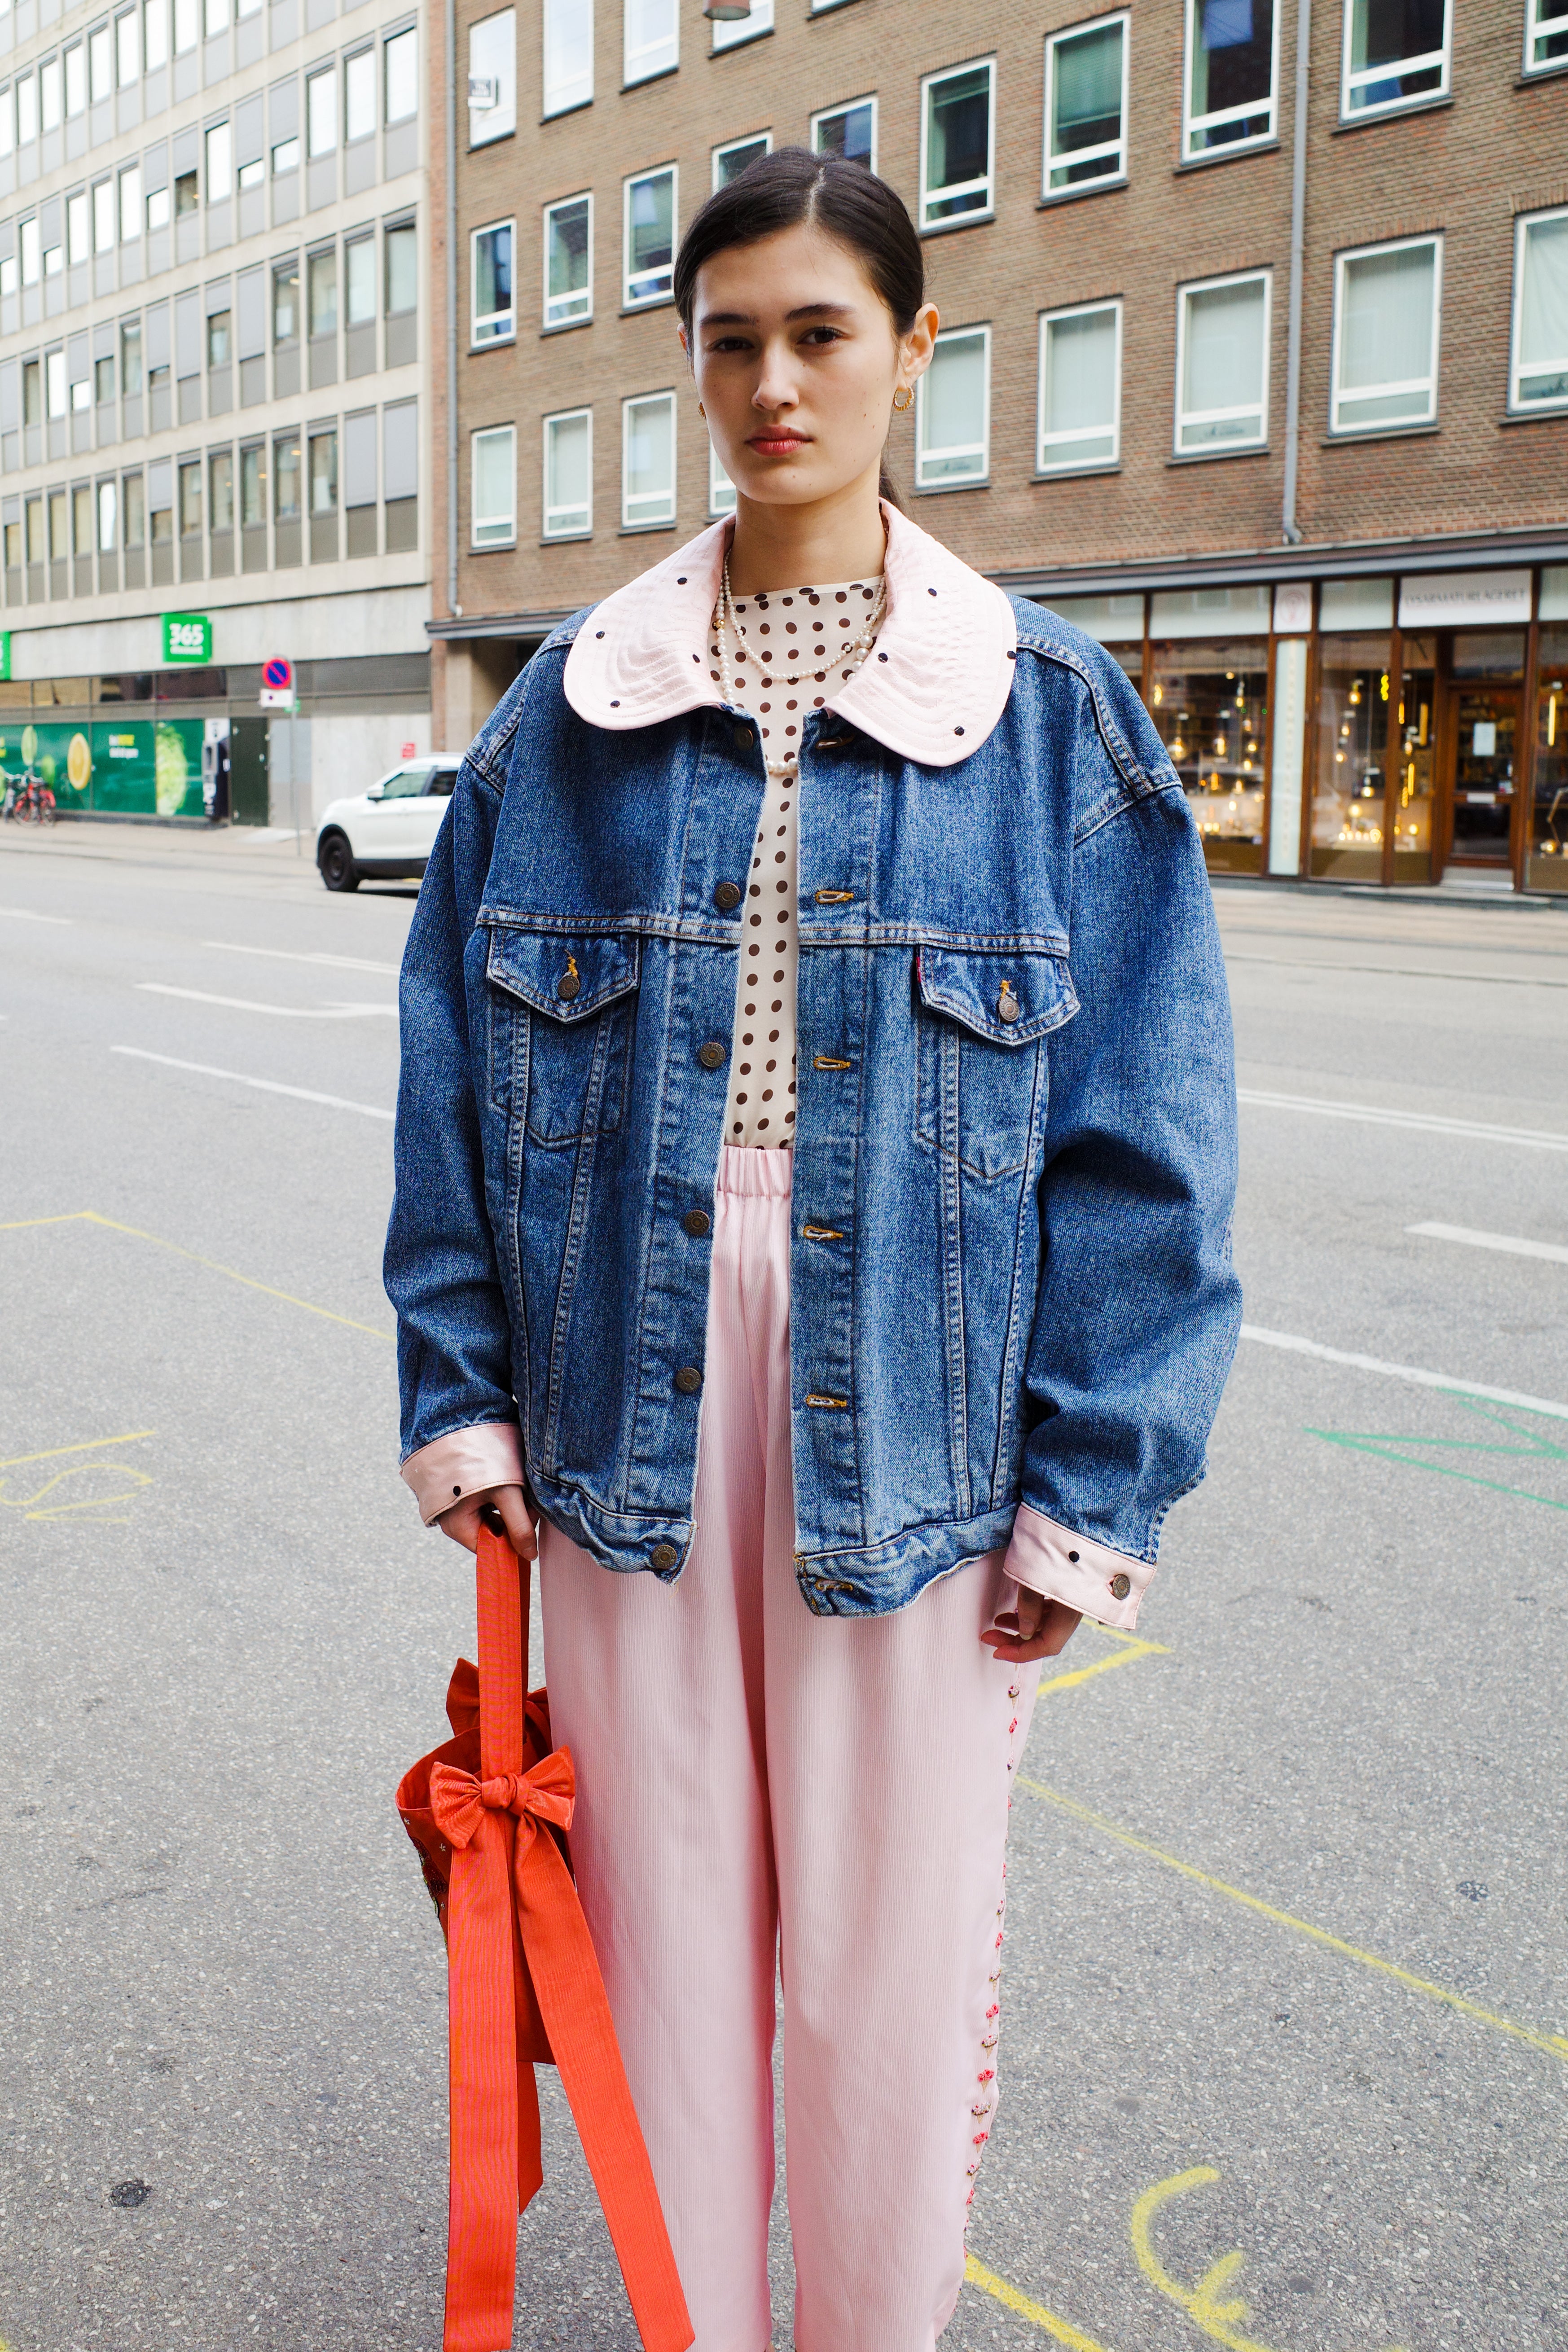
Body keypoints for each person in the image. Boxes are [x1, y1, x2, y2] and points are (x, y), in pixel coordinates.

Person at [386, 147, 1240, 2352]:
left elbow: (1144, 1137)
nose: (775, 381)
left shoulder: (1045, 712)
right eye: (732, 338)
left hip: (926, 1394)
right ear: (690, 366)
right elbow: (454, 1085)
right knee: (660, 1944)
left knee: (889, 1951)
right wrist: (457, 1384)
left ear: (910, 351)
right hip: (621, 1383)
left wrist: (1095, 1483)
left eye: (821, 332)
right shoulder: (569, 706)